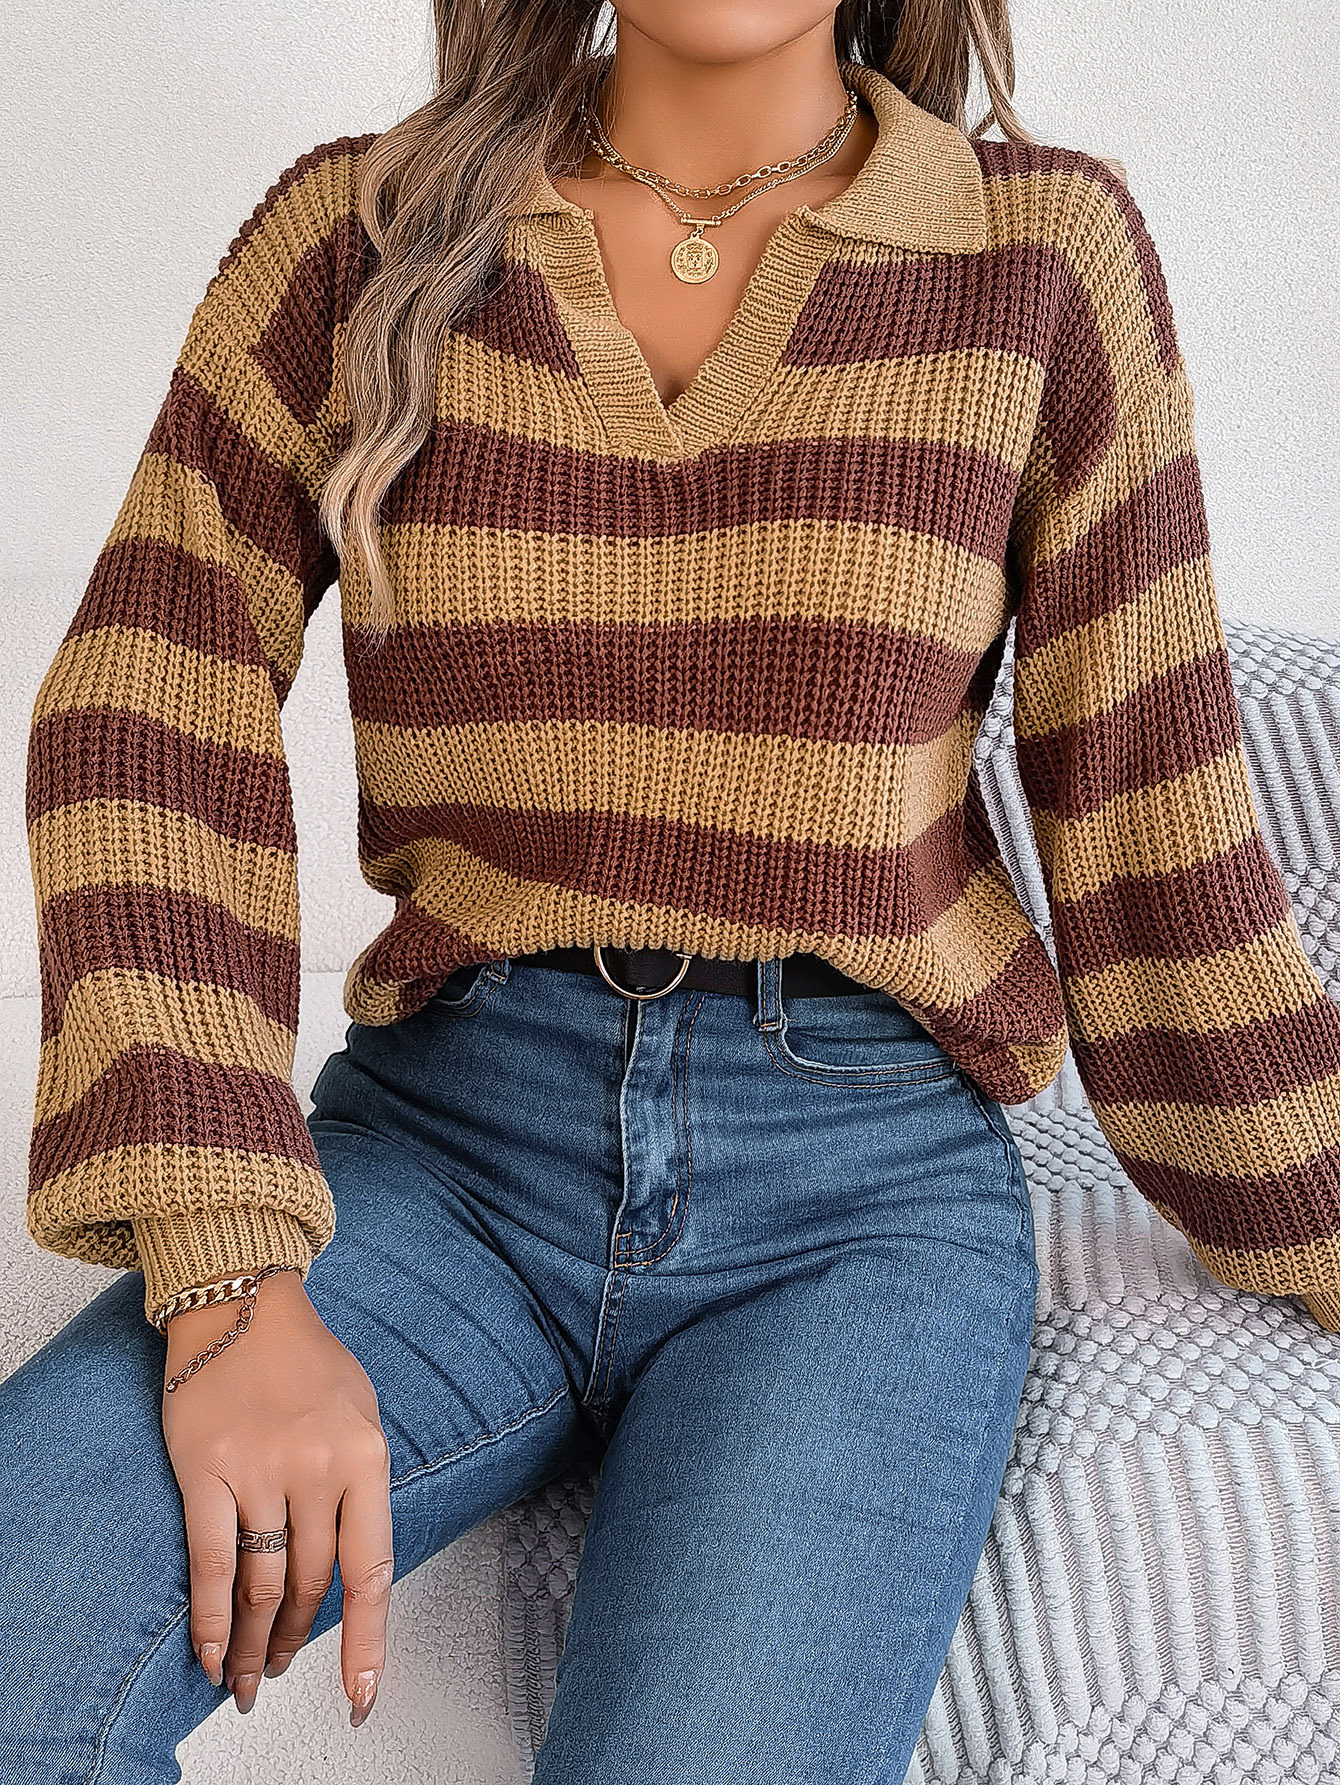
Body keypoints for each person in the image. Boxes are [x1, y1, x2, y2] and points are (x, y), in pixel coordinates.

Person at [7, 3, 1340, 1781]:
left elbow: (1153, 819)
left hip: (856, 1207)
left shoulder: (1037, 257)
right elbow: (145, 710)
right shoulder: (360, 234)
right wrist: (229, 1273)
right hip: (443, 1150)